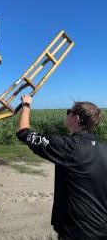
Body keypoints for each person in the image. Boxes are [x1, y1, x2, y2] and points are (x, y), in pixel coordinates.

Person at [16, 95, 107, 240]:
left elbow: (24, 133)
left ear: (76, 119)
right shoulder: (104, 149)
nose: (66, 114)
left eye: (68, 111)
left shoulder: (69, 147)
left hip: (76, 231)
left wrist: (26, 104)